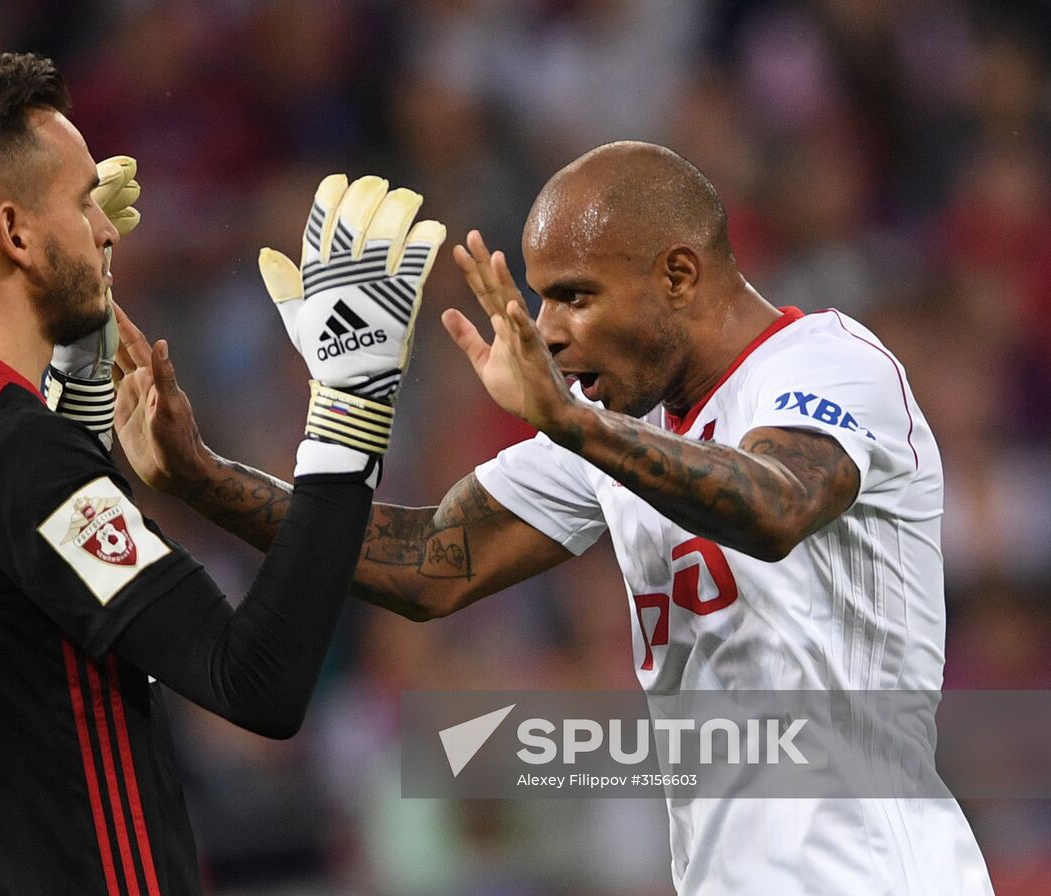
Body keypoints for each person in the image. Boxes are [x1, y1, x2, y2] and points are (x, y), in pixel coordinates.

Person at [114, 141, 995, 894]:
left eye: (574, 295)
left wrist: (574, 424)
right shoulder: (619, 422)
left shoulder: (831, 364)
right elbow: (430, 563)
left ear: (679, 274)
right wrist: (201, 479)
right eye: (541, 298)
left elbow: (777, 503)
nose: (548, 332)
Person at [0, 53, 443, 895]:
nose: (109, 229)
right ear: (14, 234)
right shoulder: (8, 455)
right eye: (83, 204)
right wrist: (346, 409)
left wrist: (74, 357)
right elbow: (256, 681)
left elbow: (29, 605)